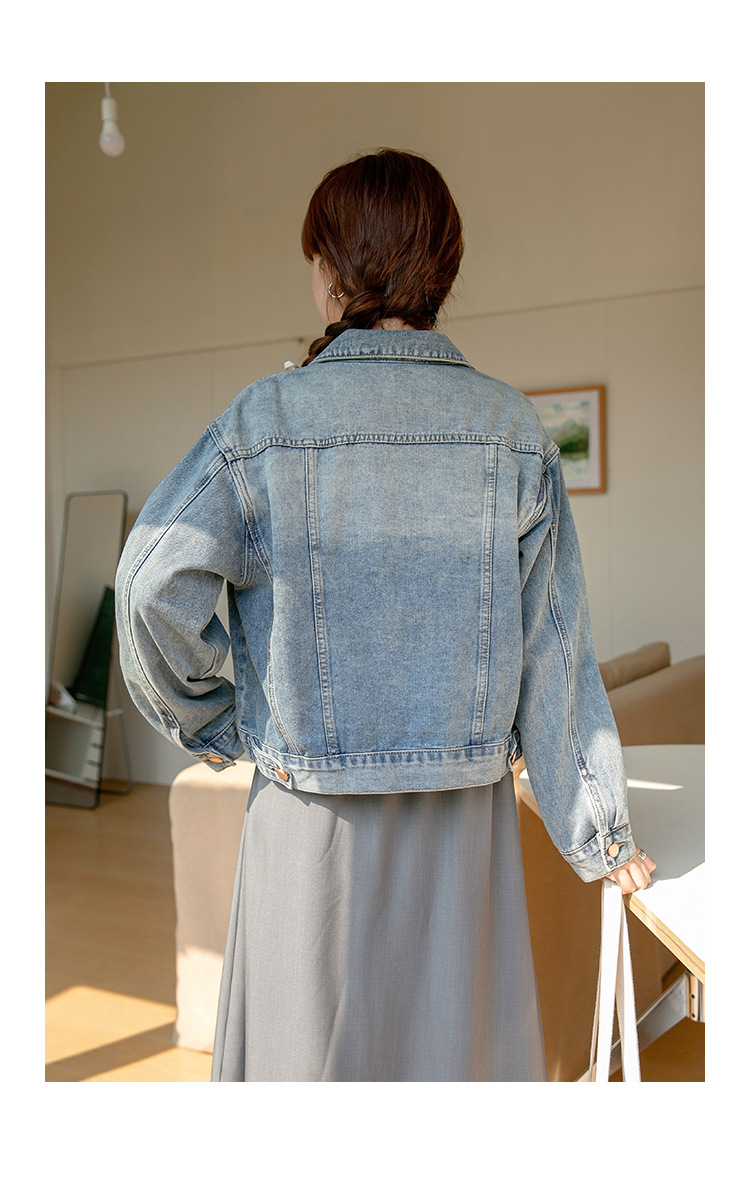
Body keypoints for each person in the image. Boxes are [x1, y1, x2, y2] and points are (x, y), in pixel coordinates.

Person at [115, 148, 655, 1083]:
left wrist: (217, 720)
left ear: (331, 270)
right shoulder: (512, 429)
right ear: (443, 267)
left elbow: (147, 585)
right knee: (452, 1073)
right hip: (464, 829)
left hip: (305, 823)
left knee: (301, 1078)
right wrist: (601, 834)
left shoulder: (264, 421)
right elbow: (555, 647)